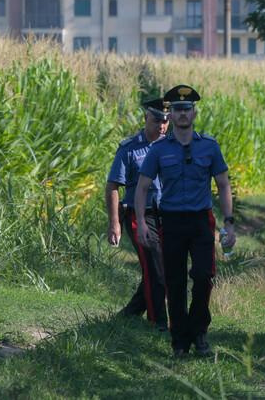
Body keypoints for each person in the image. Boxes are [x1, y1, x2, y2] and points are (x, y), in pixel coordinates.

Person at [135, 85, 236, 357]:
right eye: (177, 109)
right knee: (175, 283)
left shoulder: (209, 147)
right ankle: (180, 341)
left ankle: (199, 331)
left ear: (194, 112)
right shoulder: (158, 150)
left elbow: (224, 184)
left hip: (201, 221)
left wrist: (229, 222)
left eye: (186, 109)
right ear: (172, 114)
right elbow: (142, 187)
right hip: (172, 222)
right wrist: (142, 223)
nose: (182, 114)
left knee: (203, 277)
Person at [105, 98, 170, 331]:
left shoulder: (172, 146)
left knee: (163, 268)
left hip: (167, 216)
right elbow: (113, 185)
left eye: (165, 121)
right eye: (157, 121)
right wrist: (114, 223)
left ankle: (130, 314)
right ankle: (159, 323)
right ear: (145, 119)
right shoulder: (130, 148)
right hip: (139, 215)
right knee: (155, 269)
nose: (162, 127)